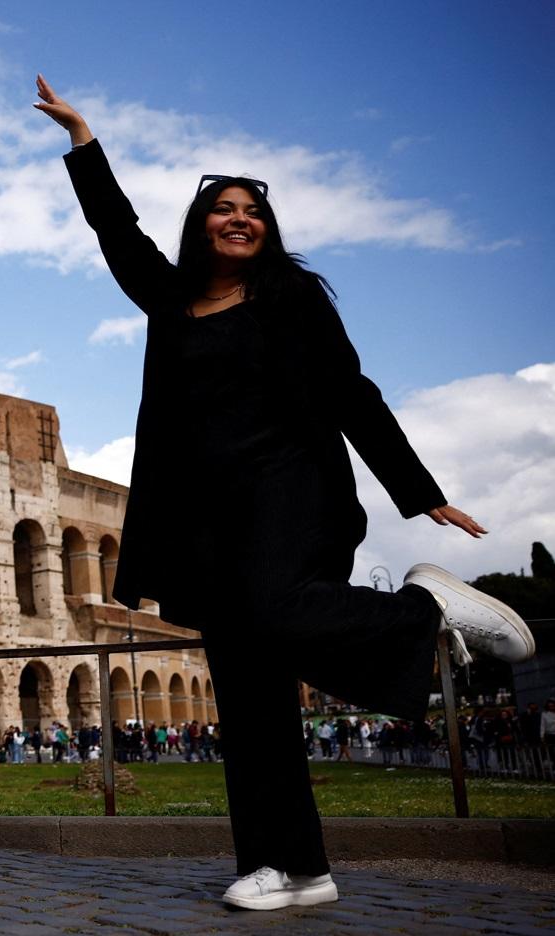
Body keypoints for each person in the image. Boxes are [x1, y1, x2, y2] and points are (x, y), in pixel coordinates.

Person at [35, 74, 535, 912]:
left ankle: (422, 609)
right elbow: (115, 231)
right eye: (222, 209)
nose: (239, 219)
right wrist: (84, 144)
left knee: (274, 610)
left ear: (268, 230)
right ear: (199, 226)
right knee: (248, 694)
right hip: (202, 515)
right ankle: (293, 867)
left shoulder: (290, 297)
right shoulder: (169, 299)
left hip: (288, 488)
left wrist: (419, 492)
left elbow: (350, 392)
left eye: (253, 211)